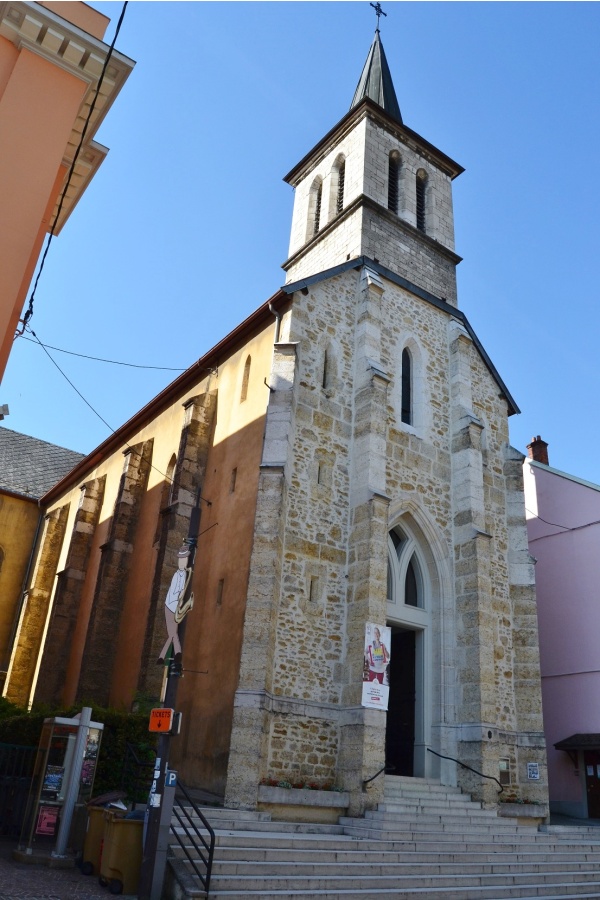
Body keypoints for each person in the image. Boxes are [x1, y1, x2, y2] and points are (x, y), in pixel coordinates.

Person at [157, 545, 191, 664]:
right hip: (169, 605)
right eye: (181, 560)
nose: (182, 562)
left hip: (176, 605)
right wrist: (178, 599)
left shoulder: (184, 574)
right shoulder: (177, 574)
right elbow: (173, 590)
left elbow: (182, 589)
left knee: (172, 633)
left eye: (184, 560)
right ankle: (176, 654)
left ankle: (163, 656)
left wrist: (181, 601)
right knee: (172, 633)